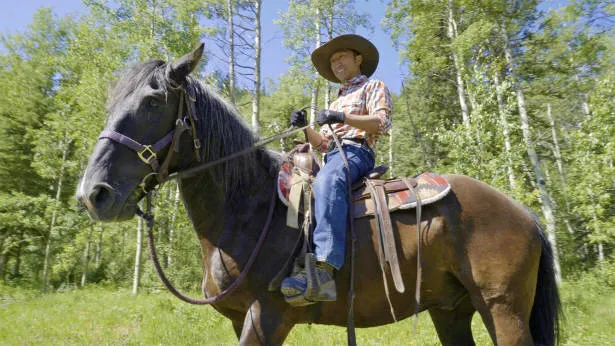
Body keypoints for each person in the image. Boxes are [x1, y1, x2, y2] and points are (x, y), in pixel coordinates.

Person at [281, 34, 392, 303]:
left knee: (327, 182)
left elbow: (381, 123)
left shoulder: (373, 86)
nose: (336, 63)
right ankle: (298, 263)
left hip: (357, 152)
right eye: (332, 60)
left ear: (358, 58)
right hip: (332, 156)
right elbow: (323, 144)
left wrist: (342, 117)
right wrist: (304, 128)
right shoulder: (334, 101)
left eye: (340, 56)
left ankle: (325, 271)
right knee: (292, 185)